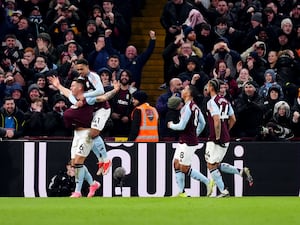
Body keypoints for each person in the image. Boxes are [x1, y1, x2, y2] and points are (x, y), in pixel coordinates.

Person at [205, 79, 253, 197]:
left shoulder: (212, 102)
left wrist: (217, 136)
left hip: (216, 137)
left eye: (208, 85)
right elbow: (233, 119)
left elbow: (216, 120)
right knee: (216, 164)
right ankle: (240, 172)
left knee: (211, 165)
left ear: (211, 87)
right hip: (225, 136)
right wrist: (226, 130)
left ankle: (223, 191)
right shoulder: (225, 101)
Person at [167, 85, 214, 197]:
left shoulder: (187, 108)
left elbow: (182, 126)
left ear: (188, 93)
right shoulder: (195, 107)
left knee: (183, 167)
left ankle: (208, 182)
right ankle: (181, 192)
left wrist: (171, 125)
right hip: (186, 140)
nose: (183, 90)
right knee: (176, 163)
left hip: (187, 142)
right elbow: (202, 123)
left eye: (185, 89)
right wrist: (195, 133)